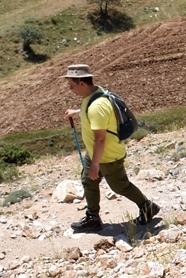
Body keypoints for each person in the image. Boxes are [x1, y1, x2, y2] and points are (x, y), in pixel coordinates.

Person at [62, 64, 158, 233]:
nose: (70, 89)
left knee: (120, 186)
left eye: (72, 85)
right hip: (96, 154)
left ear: (82, 84)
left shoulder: (96, 107)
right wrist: (77, 112)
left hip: (107, 156)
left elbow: (100, 139)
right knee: (87, 181)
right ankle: (93, 218)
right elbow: (93, 112)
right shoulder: (94, 93)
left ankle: (147, 207)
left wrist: (95, 164)